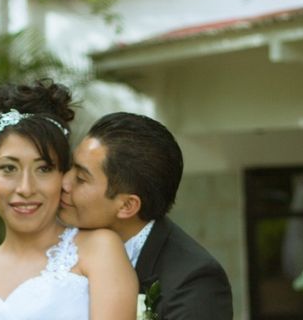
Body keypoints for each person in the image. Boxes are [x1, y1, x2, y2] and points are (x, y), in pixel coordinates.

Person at [0, 81, 138, 320]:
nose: (26, 188)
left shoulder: (99, 249)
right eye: (9, 168)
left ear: (62, 175)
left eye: (44, 169)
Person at [60, 112, 233, 320]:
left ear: (127, 205)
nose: (64, 183)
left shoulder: (194, 281)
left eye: (80, 178)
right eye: (70, 166)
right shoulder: (53, 243)